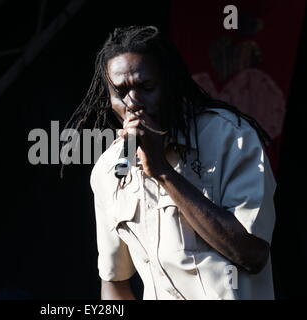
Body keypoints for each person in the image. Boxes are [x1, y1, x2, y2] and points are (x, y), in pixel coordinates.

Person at [63, 26, 276, 300]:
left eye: (146, 87)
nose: (134, 102)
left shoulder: (229, 138)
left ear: (169, 82)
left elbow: (252, 254)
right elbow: (114, 280)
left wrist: (163, 172)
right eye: (121, 92)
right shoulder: (108, 171)